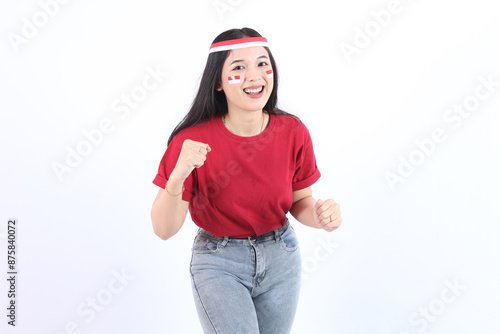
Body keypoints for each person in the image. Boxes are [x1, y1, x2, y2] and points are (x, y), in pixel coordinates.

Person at [150, 27, 342, 334]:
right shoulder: (190, 142)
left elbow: (300, 201)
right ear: (218, 81)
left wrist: (320, 217)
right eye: (239, 67)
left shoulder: (293, 131)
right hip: (219, 262)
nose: (255, 76)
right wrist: (177, 177)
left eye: (262, 64)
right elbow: (163, 230)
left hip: (282, 258)